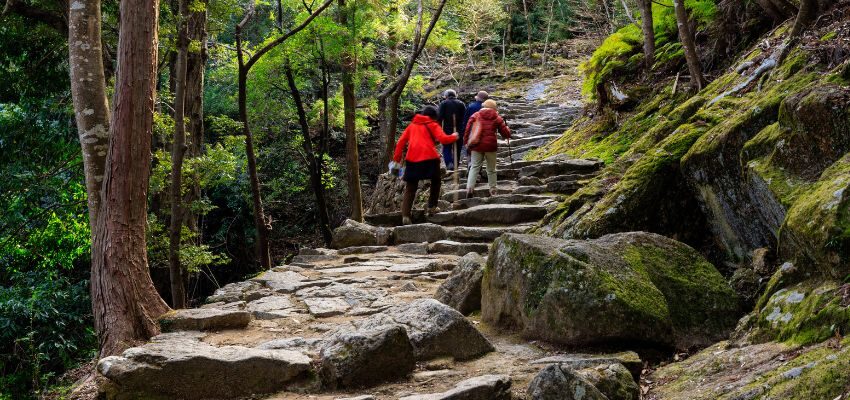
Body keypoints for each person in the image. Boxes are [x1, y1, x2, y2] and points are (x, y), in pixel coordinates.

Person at [392, 105, 459, 225]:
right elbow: (443, 139)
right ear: (433, 116)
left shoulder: (411, 126)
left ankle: (406, 215)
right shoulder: (433, 124)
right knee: (436, 181)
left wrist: (396, 159)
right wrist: (453, 137)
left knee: (410, 188)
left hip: (412, 159)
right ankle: (432, 207)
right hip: (430, 158)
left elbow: (400, 142)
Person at [463, 99, 510, 198]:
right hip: (490, 146)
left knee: (474, 167)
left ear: (483, 106)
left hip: (477, 145)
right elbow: (505, 133)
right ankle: (493, 190)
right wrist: (508, 131)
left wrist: (466, 142)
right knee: (491, 169)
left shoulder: (475, 115)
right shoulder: (497, 117)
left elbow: (467, 129)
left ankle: (469, 189)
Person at [437, 89, 466, 170]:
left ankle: (449, 163)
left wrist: (438, 129)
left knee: (446, 147)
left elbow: (439, 117)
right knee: (458, 147)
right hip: (459, 130)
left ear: (446, 96)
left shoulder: (444, 103)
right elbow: (465, 117)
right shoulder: (461, 103)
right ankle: (455, 163)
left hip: (447, 130)